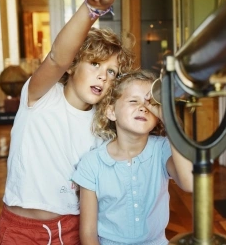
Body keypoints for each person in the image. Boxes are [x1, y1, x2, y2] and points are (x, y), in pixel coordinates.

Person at [0, 0, 135, 245]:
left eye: (111, 72)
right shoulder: (40, 96)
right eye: (95, 64)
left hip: (76, 229)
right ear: (73, 66)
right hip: (22, 231)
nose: (103, 75)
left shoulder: (103, 126)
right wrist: (92, 8)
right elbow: (58, 57)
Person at [73, 70, 194, 245]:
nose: (143, 107)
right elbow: (88, 233)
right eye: (133, 101)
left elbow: (189, 182)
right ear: (111, 112)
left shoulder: (162, 149)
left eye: (150, 103)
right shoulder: (91, 164)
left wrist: (169, 118)